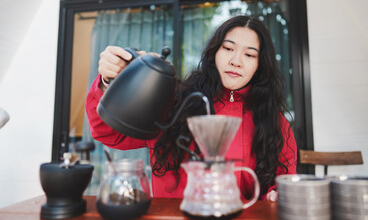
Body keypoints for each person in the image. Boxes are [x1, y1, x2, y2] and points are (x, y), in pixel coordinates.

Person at [85, 15, 297, 201]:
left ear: (260, 65)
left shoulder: (274, 122)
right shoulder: (174, 102)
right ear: (214, 52)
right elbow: (109, 131)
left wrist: (276, 194)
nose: (236, 61)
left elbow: (282, 182)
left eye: (249, 55)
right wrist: (109, 81)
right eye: (228, 48)